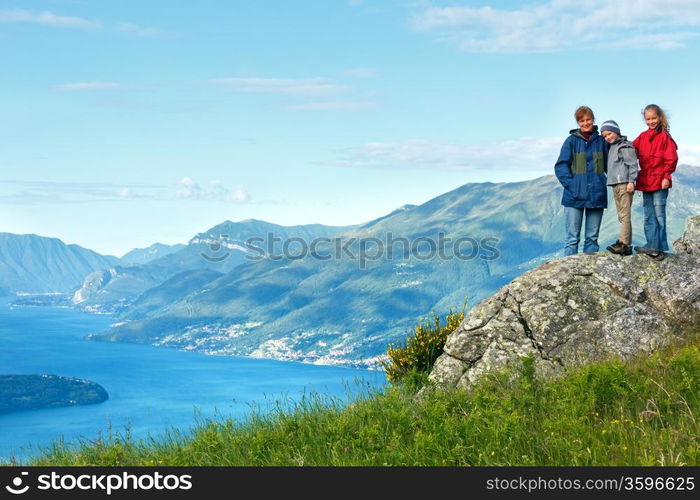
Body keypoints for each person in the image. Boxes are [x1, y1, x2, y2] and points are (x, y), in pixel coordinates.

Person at [554, 106, 608, 256]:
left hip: (597, 195)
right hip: (574, 196)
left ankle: (589, 275)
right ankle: (568, 276)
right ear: (578, 122)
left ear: (593, 120)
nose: (585, 123)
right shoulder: (571, 141)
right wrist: (573, 185)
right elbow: (561, 166)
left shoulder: (601, 141)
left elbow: (611, 165)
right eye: (582, 120)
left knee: (592, 238)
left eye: (588, 119)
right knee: (572, 239)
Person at [632, 104, 678, 261]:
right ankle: (651, 245)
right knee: (648, 215)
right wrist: (617, 142)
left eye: (654, 118)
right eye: (648, 119)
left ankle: (659, 248)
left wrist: (666, 176)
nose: (651, 121)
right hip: (646, 181)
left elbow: (671, 158)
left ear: (660, 117)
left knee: (659, 215)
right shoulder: (642, 137)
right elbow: (631, 149)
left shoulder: (665, 137)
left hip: (660, 182)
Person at [600, 120, 638, 256]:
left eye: (609, 133)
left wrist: (631, 181)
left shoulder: (625, 146)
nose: (607, 137)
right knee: (621, 216)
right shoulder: (612, 148)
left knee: (625, 214)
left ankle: (625, 244)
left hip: (624, 184)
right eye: (604, 136)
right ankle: (624, 242)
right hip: (616, 184)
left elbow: (633, 165)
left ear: (616, 131)